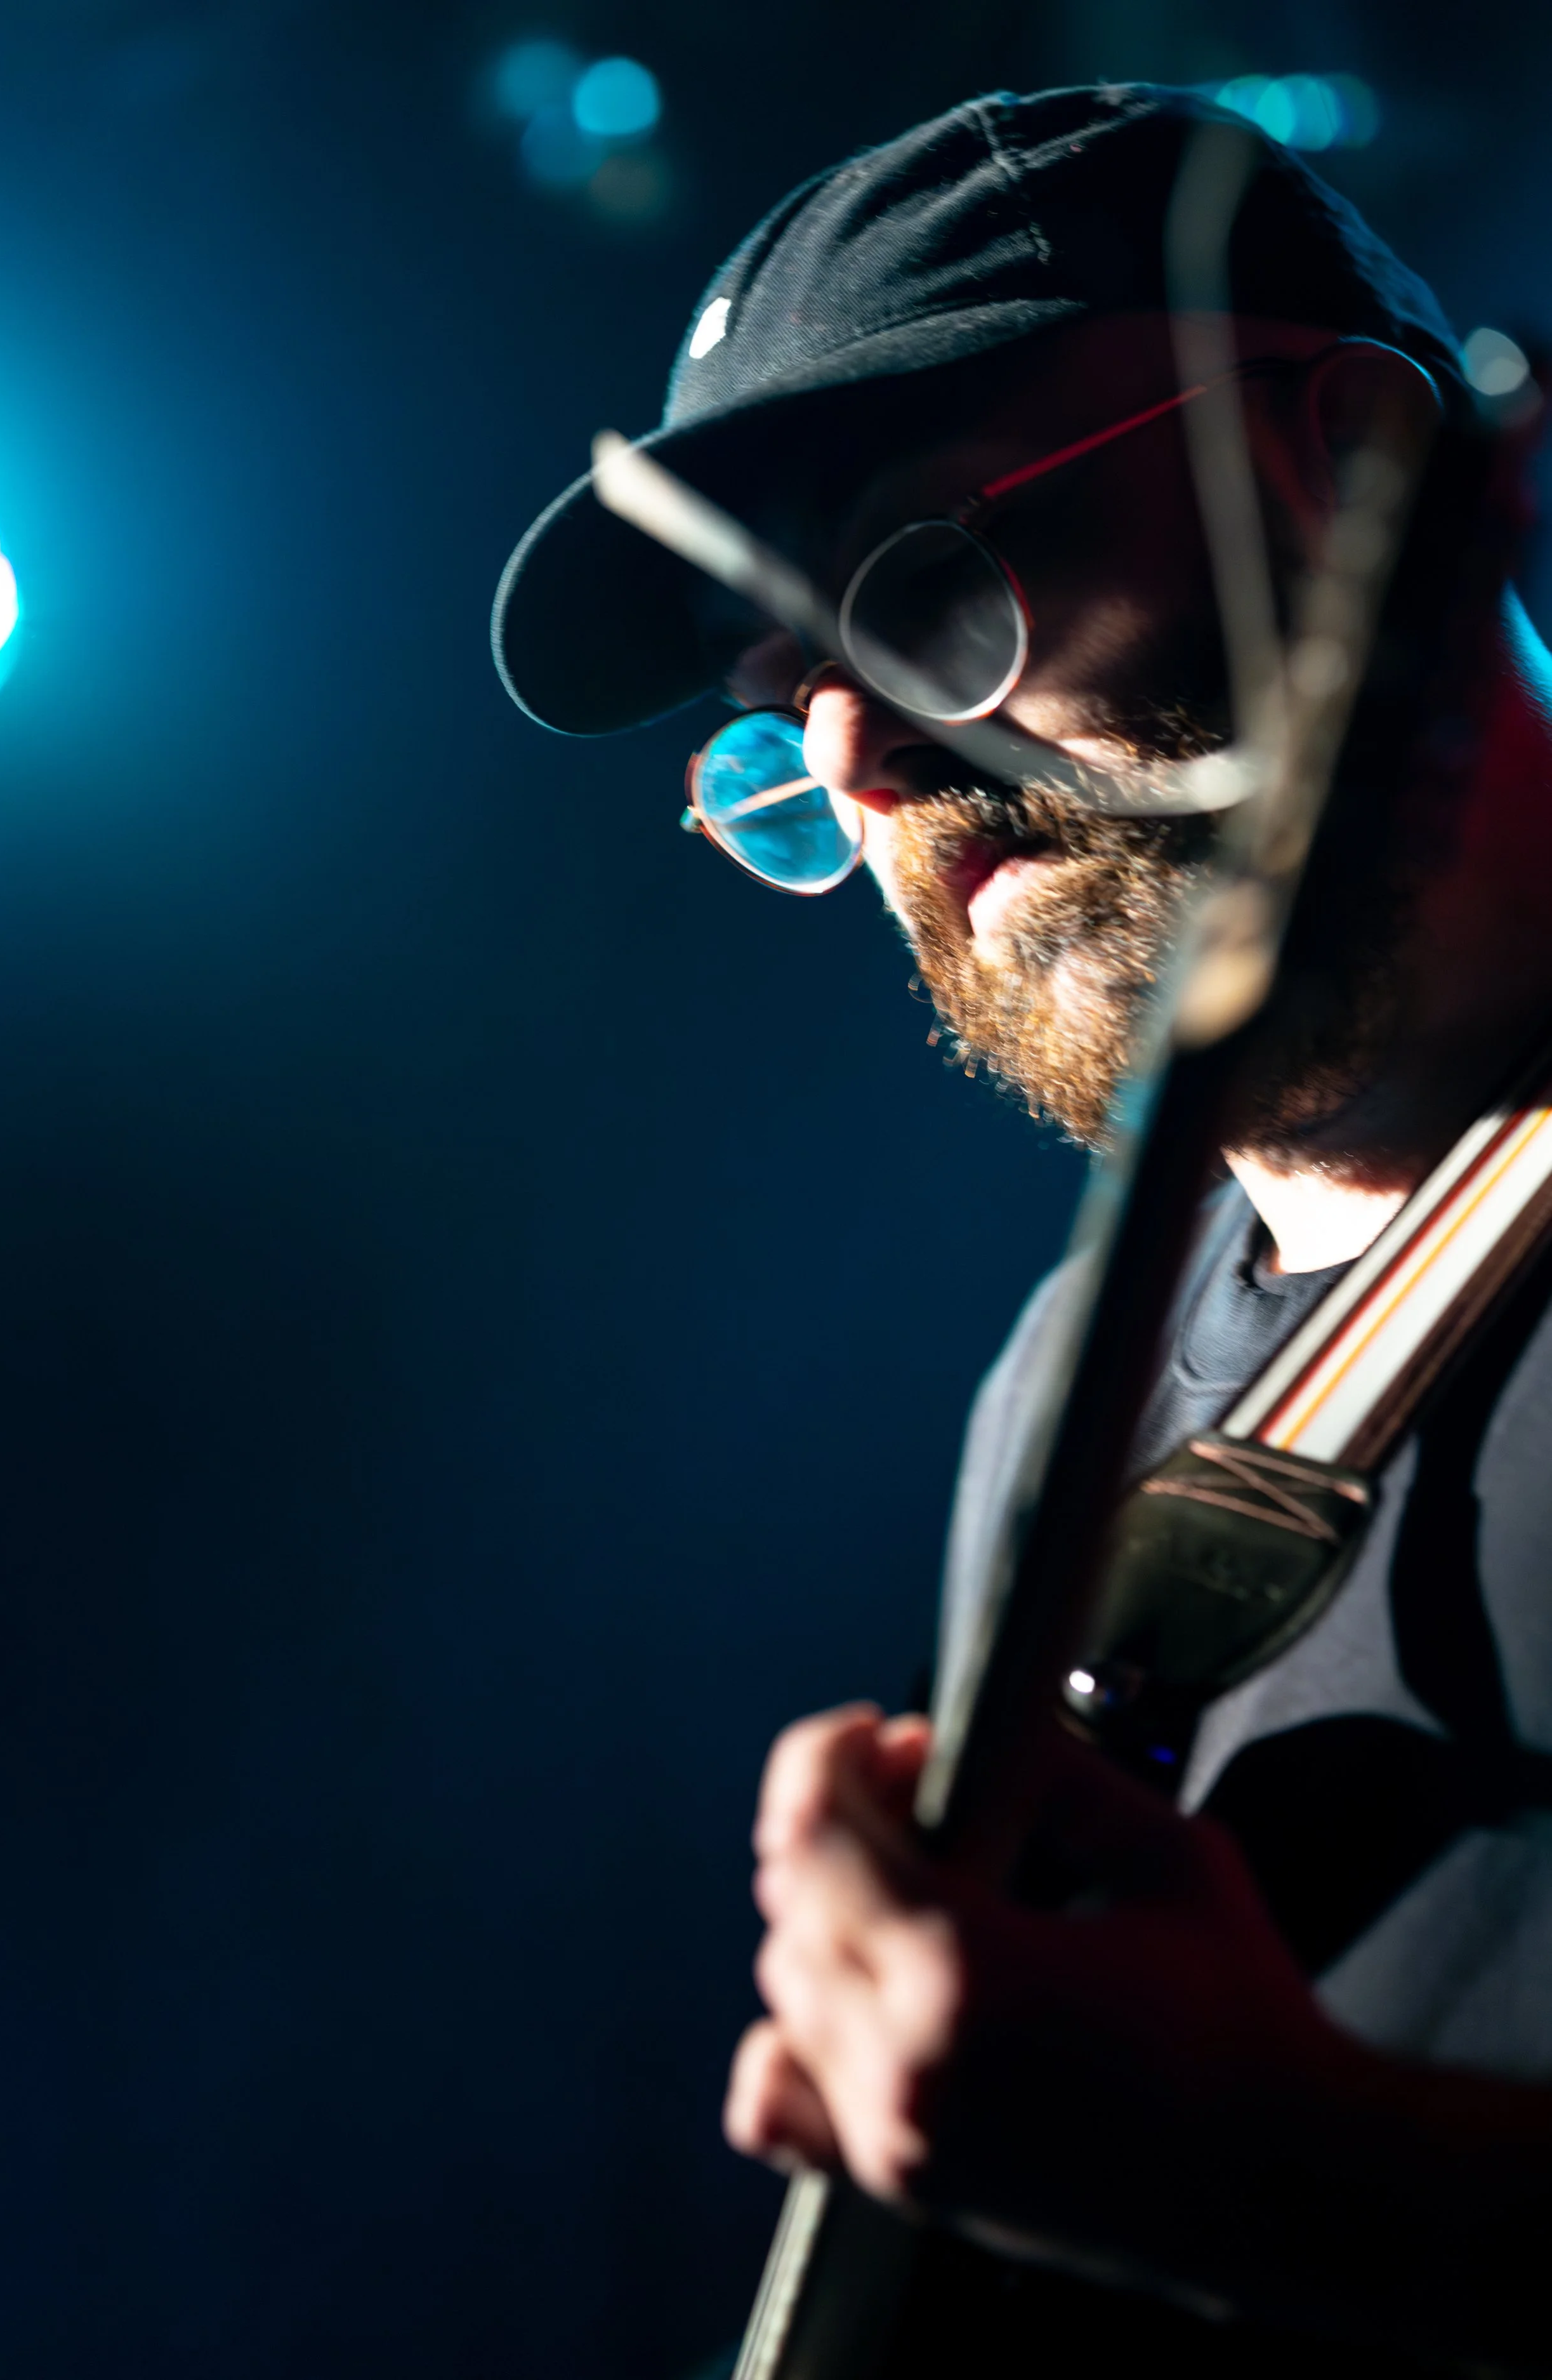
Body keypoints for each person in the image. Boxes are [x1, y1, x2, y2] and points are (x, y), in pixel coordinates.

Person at [494, 86, 1552, 2365]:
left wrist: (1287, 2178)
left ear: (1348, 464)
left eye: (918, 585)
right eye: (784, 724)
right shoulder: (1064, 1396)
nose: (860, 770)